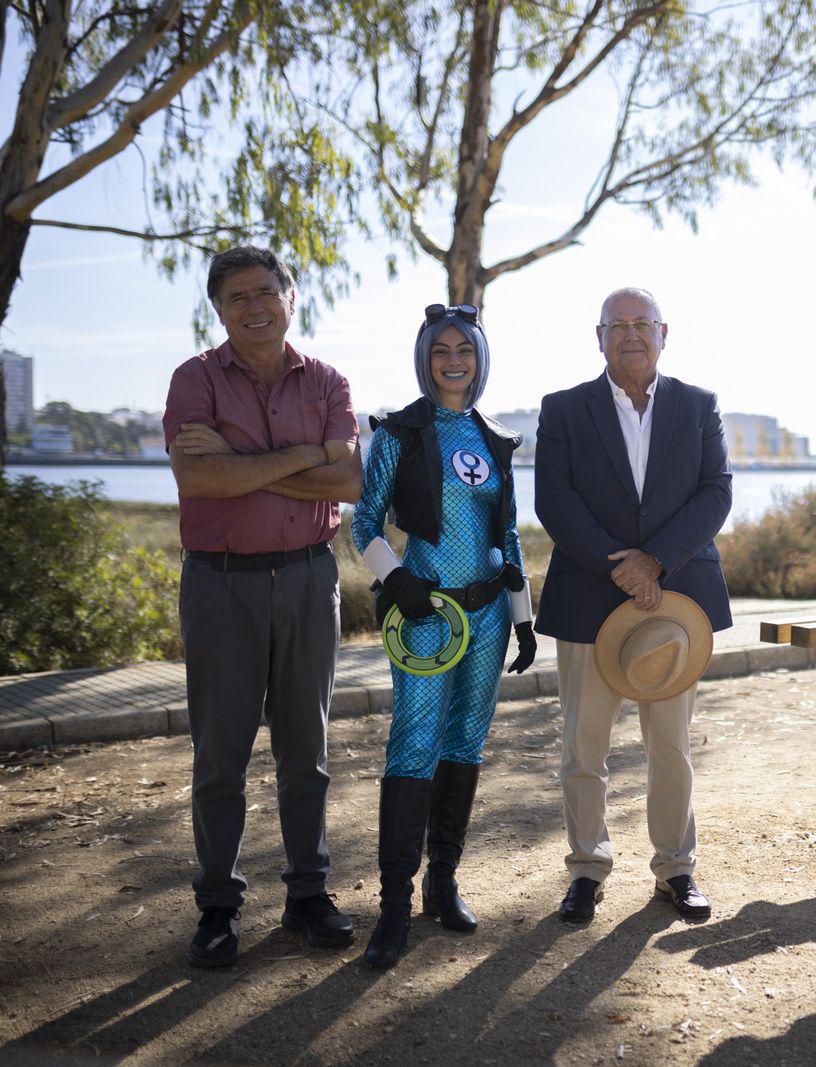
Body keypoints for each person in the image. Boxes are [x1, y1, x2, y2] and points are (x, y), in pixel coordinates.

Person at [162, 246, 362, 968]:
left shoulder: (328, 380)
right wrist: (306, 456)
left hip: (309, 578)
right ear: (219, 310)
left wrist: (241, 462)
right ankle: (217, 906)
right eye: (237, 297)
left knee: (306, 750)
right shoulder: (195, 379)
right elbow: (199, 480)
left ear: (290, 297)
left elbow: (352, 480)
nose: (254, 307)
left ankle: (308, 894)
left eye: (265, 292)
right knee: (221, 755)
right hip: (220, 584)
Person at [534, 287, 732, 923]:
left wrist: (656, 562)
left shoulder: (699, 405)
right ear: (599, 338)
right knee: (583, 746)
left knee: (670, 747)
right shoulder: (563, 409)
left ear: (663, 333)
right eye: (616, 325)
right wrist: (621, 566)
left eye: (642, 323)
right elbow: (554, 499)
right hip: (589, 596)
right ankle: (586, 870)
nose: (630, 334)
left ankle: (676, 869)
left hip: (677, 601)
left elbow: (715, 492)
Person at [352, 302, 537, 968]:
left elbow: (507, 534)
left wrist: (523, 616)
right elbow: (363, 522)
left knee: (465, 742)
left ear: (479, 358)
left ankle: (443, 881)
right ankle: (393, 906)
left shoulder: (496, 438)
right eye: (441, 350)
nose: (453, 360)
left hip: (487, 616)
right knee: (414, 743)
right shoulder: (399, 433)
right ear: (425, 358)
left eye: (464, 349)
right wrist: (396, 578)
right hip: (426, 614)